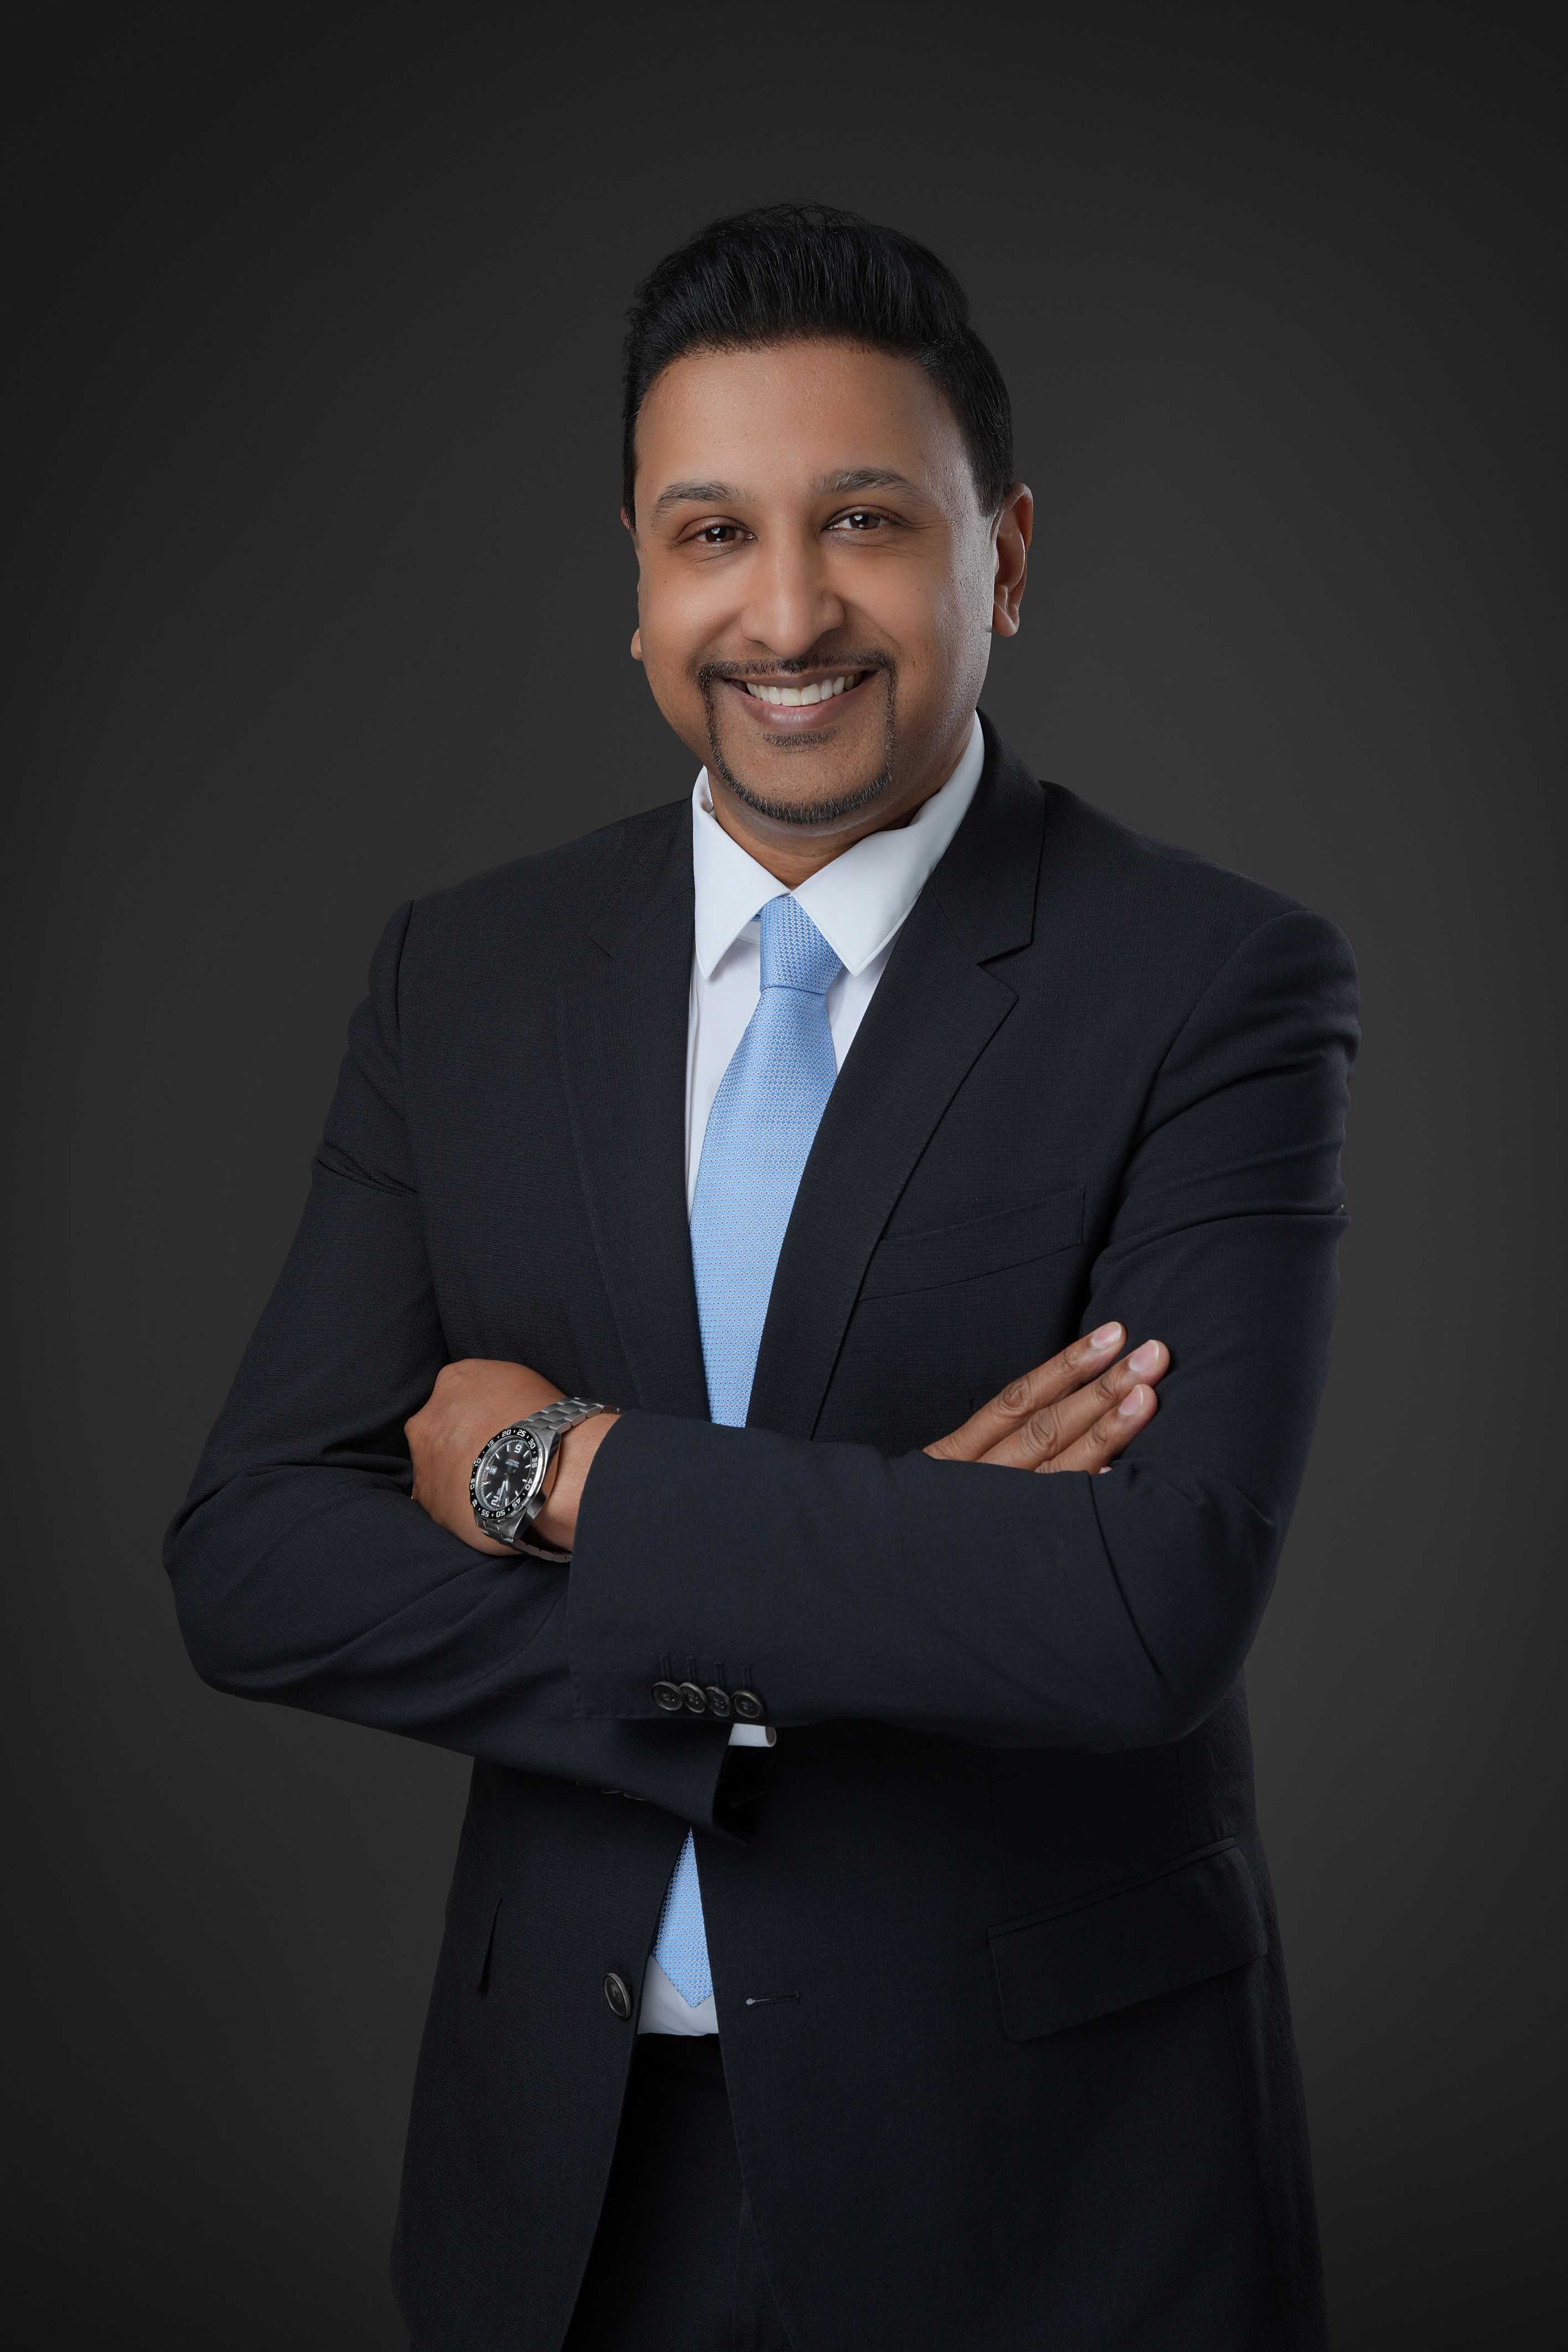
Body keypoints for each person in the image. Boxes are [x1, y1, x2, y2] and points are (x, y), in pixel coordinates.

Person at [166, 202, 1358, 2351]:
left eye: (865, 522)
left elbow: (1142, 1612)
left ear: (1002, 557)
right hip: (569, 2178)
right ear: (638, 581)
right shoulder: (467, 979)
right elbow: (252, 1557)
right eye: (713, 532)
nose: (787, 611)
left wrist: (562, 1474)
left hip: (1051, 2183)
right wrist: (834, 1622)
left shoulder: (1211, 983)